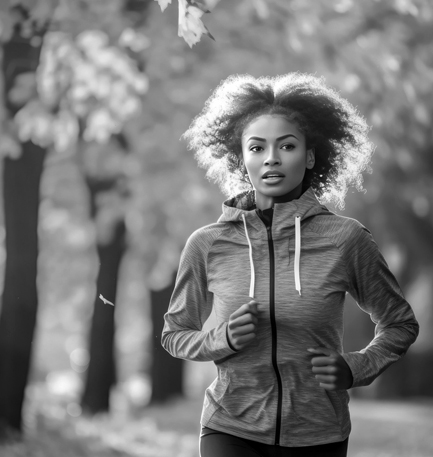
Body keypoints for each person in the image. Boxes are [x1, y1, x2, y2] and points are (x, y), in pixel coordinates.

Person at [161, 73, 419, 457]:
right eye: (257, 147)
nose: (271, 158)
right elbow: (174, 334)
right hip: (229, 425)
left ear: (310, 155)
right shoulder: (208, 244)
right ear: (240, 158)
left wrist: (357, 367)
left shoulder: (344, 239)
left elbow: (400, 324)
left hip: (318, 432)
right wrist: (222, 339)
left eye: (286, 145)